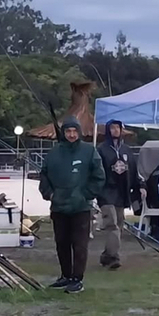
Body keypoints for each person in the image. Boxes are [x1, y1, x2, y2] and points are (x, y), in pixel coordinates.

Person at [39, 116, 105, 294]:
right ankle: (65, 275)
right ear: (64, 132)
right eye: (68, 131)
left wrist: (86, 195)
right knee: (61, 242)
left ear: (79, 132)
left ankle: (77, 279)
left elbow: (99, 176)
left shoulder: (89, 151)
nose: (71, 134)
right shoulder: (53, 153)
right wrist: (50, 194)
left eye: (74, 131)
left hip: (80, 207)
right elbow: (43, 175)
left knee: (80, 244)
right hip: (59, 206)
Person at [96, 119, 146, 270]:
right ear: (108, 130)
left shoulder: (126, 150)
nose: (115, 130)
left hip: (121, 192)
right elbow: (96, 171)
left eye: (117, 127)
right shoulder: (101, 150)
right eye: (112, 127)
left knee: (119, 225)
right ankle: (113, 257)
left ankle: (106, 255)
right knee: (112, 225)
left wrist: (140, 186)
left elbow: (133, 171)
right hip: (106, 192)